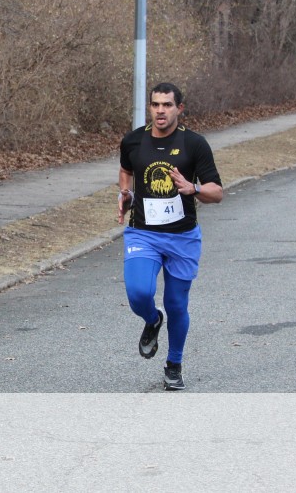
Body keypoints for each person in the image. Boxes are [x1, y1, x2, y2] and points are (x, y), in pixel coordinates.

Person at [117, 82, 223, 390]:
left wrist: (194, 188)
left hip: (182, 237)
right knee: (139, 293)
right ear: (149, 107)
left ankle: (174, 364)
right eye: (155, 105)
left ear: (179, 108)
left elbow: (217, 192)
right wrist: (125, 193)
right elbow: (126, 170)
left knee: (176, 304)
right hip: (143, 233)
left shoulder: (194, 144)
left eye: (167, 105)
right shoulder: (133, 140)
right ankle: (152, 319)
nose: (160, 111)